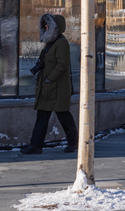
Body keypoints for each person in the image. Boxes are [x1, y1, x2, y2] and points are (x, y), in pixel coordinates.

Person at [21, 14, 78, 155]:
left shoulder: (61, 43)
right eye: (45, 25)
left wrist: (49, 79)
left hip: (56, 88)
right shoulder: (51, 43)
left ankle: (74, 143)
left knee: (63, 116)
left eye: (48, 25)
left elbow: (62, 64)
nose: (45, 27)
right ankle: (35, 146)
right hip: (48, 88)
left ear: (55, 27)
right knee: (43, 116)